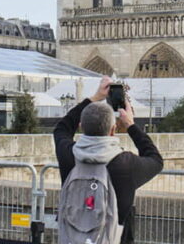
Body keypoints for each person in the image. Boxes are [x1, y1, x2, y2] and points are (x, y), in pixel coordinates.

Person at [54, 76, 164, 244]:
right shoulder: (125, 164)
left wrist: (95, 97)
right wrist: (131, 125)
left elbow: (62, 128)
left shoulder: (69, 155)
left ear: (81, 126)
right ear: (113, 130)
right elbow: (155, 159)